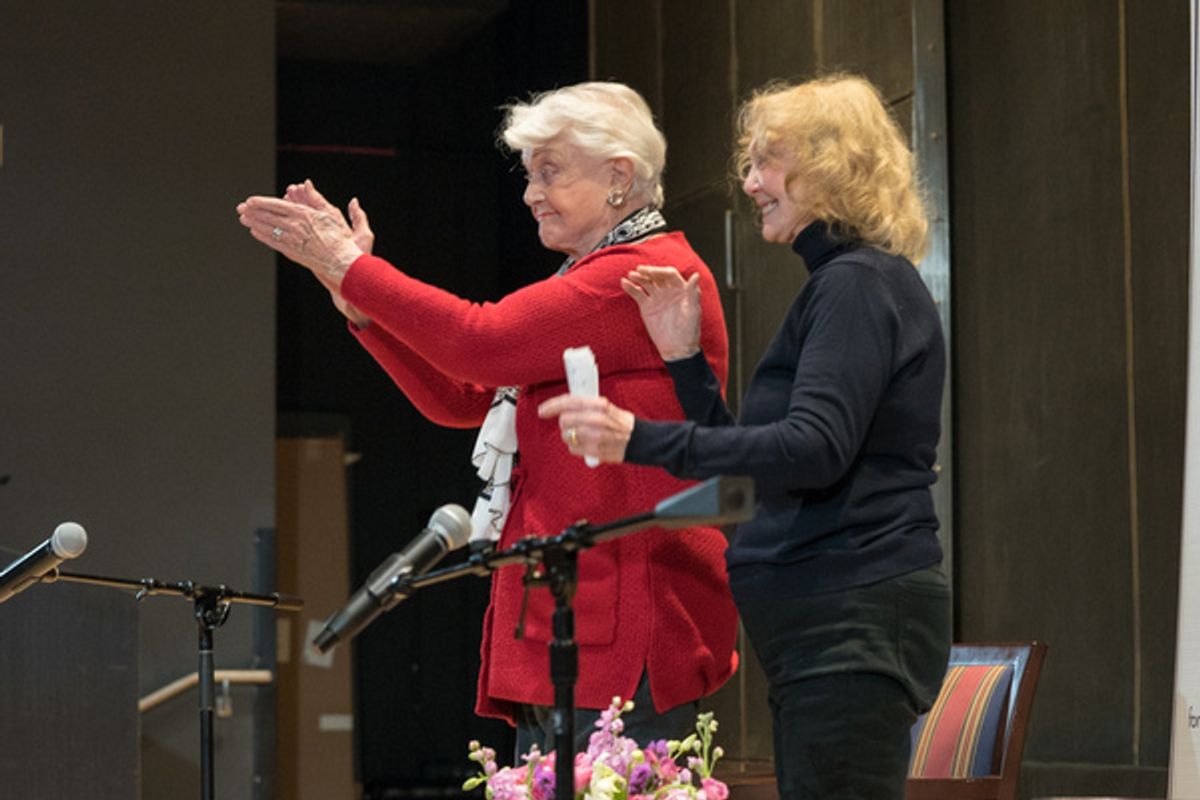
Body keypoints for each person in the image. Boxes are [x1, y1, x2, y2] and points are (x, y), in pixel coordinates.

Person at [236, 82, 739, 754]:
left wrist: (354, 269)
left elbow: (481, 341)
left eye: (550, 172)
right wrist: (355, 300)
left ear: (619, 177)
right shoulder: (589, 277)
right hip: (573, 620)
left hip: (625, 627)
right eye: (529, 174)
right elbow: (465, 396)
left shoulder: (642, 272)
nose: (531, 192)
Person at [538, 74, 952, 798]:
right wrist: (686, 364)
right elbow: (768, 469)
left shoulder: (857, 285)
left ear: (827, 166)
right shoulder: (843, 283)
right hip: (822, 630)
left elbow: (809, 449)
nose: (751, 182)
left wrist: (640, 438)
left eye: (766, 162)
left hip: (849, 623)